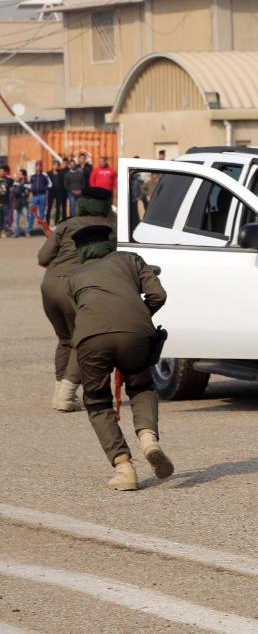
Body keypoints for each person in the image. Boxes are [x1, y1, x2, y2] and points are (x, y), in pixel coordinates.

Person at [67, 224, 170, 491]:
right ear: (108, 243)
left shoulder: (75, 277)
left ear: (81, 251)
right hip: (136, 333)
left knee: (98, 402)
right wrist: (140, 316)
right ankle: (148, 439)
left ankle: (124, 469)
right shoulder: (131, 259)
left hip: (91, 339)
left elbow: (81, 313)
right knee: (141, 386)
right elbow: (158, 295)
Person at [37, 187, 117, 412]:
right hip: (77, 287)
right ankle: (67, 394)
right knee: (85, 342)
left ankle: (59, 393)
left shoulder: (66, 224)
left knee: (66, 340)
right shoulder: (111, 225)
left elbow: (43, 257)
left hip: (49, 285)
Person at [28, 161, 52, 236]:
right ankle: (29, 230)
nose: (38, 167)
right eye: (37, 166)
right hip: (34, 196)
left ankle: (42, 230)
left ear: (41, 167)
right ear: (35, 167)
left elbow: (50, 184)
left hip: (42, 196)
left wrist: (44, 189)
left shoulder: (44, 175)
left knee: (41, 214)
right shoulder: (32, 176)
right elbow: (30, 186)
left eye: (39, 166)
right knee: (32, 213)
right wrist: (30, 196)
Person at [10, 169, 30, 237]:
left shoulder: (27, 183)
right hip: (17, 203)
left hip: (24, 202)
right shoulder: (16, 182)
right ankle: (16, 232)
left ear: (24, 175)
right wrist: (21, 187)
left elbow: (28, 191)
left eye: (20, 174)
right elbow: (14, 192)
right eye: (19, 174)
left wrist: (21, 187)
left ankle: (27, 232)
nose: (19, 175)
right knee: (16, 218)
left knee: (27, 217)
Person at [0, 166, 11, 237]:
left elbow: (14, 184)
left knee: (6, 217)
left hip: (6, 201)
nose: (1, 172)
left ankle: (5, 231)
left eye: (2, 171)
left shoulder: (8, 180)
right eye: (0, 171)